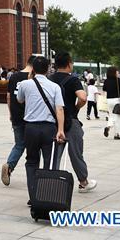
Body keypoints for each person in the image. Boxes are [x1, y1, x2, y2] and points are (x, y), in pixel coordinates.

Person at [15, 56, 66, 203]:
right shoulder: (55, 87)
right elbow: (60, 110)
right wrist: (60, 130)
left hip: (30, 128)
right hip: (49, 128)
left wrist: (30, 79)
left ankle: (33, 197)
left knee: (31, 161)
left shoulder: (25, 84)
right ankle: (46, 195)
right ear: (48, 69)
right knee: (49, 163)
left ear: (32, 69)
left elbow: (19, 99)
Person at [49, 53, 97, 193]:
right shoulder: (73, 80)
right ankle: (83, 182)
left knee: (54, 154)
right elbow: (83, 97)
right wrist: (75, 108)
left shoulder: (49, 79)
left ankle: (51, 182)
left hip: (53, 121)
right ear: (69, 63)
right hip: (70, 120)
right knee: (76, 152)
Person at [2, 55, 34, 186]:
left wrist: (11, 114)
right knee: (33, 148)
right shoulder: (33, 78)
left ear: (26, 62)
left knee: (19, 144)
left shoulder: (14, 76)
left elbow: (9, 97)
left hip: (16, 116)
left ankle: (9, 165)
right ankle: (33, 174)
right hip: (31, 117)